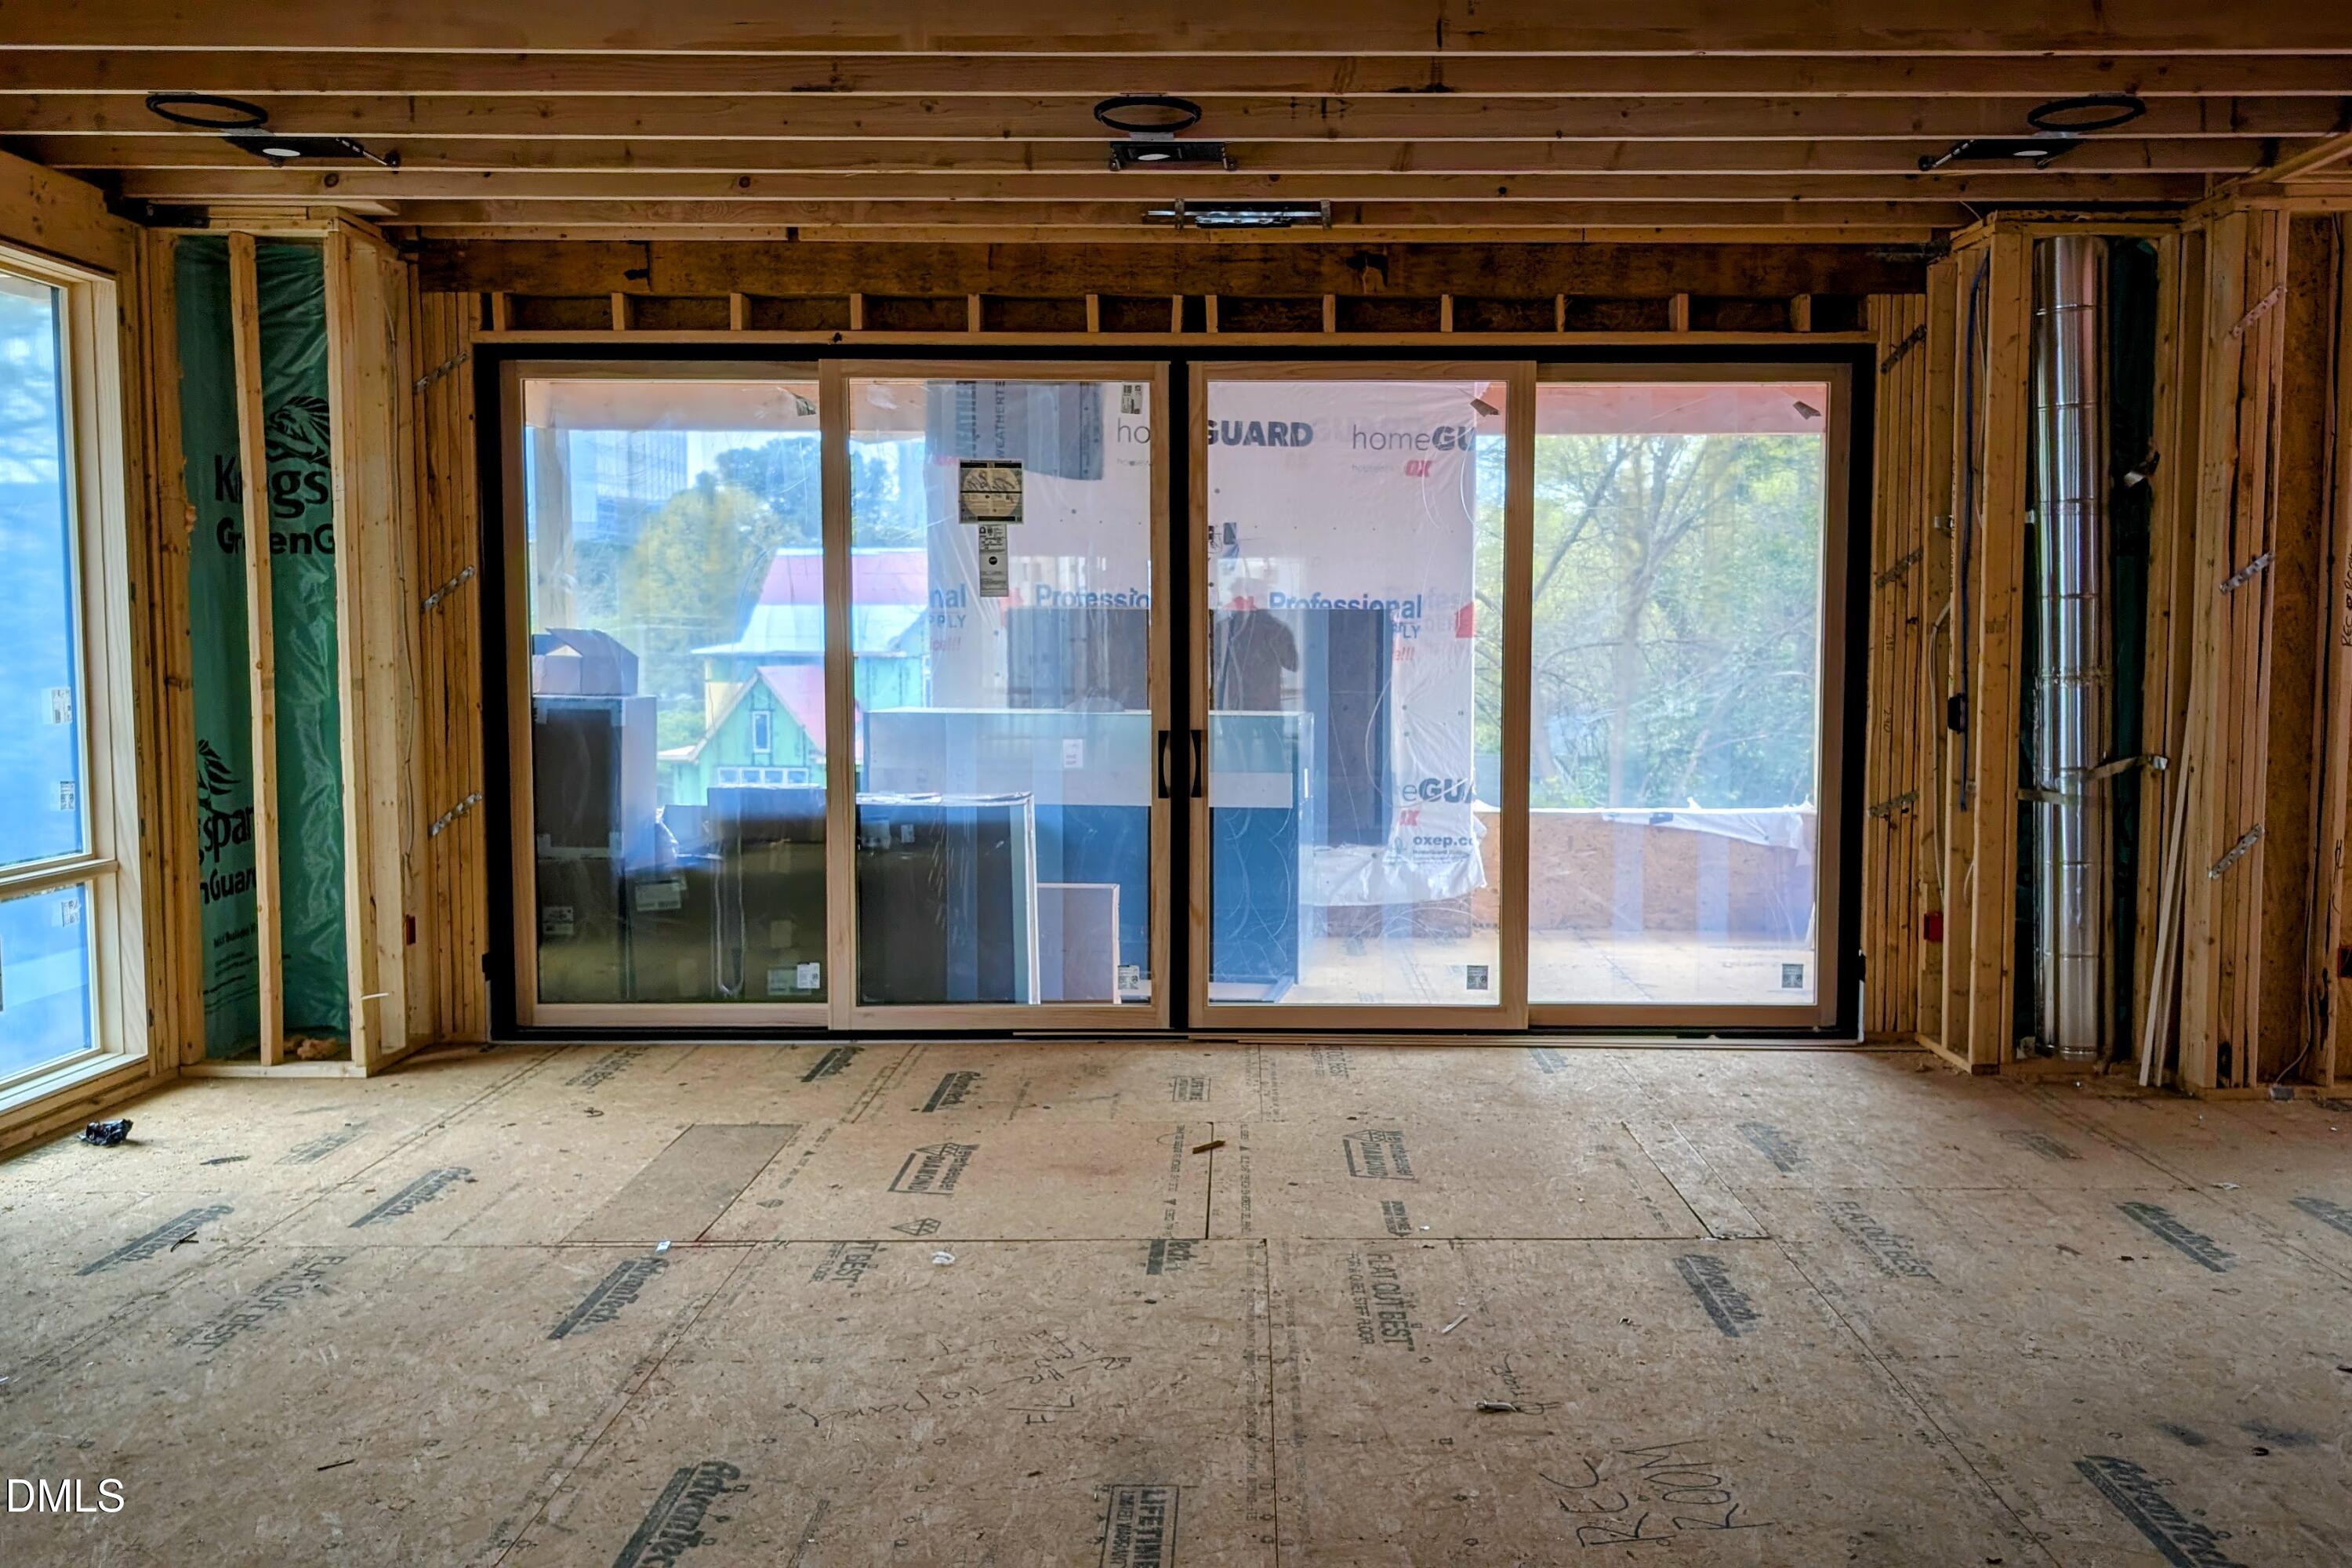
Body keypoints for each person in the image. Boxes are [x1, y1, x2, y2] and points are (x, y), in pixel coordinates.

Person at [1213, 578, 1298, 711]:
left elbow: (1293, 664)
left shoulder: (1276, 630)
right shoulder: (1225, 630)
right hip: (1234, 708)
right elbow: (1214, 666)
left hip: (1266, 709)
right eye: (1236, 597)